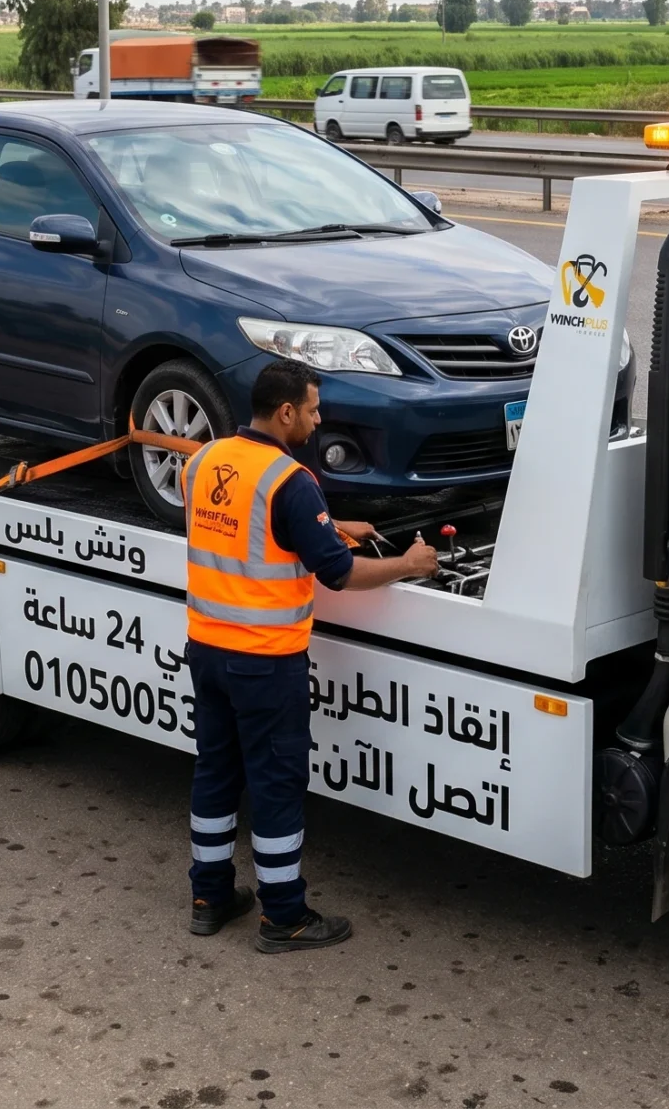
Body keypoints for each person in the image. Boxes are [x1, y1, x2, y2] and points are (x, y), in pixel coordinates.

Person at [183, 359, 438, 952]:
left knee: (215, 772)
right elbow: (340, 574)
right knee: (276, 782)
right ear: (286, 412)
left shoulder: (205, 461)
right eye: (314, 409)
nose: (319, 420)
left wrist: (328, 522)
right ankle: (284, 917)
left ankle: (209, 896)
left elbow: (246, 528)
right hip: (266, 661)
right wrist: (409, 565)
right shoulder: (290, 479)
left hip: (208, 649)